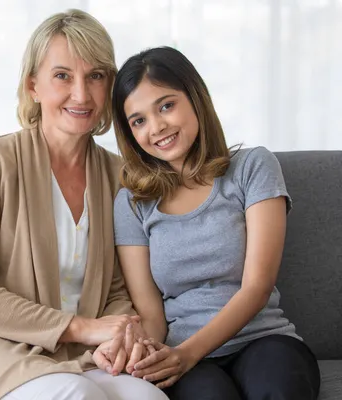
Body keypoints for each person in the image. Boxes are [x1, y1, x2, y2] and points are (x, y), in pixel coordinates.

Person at [0, 10, 168, 400]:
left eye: (95, 76)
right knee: (77, 396)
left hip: (73, 353)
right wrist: (82, 328)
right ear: (33, 86)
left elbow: (114, 284)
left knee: (149, 398)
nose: (81, 93)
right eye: (63, 76)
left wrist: (121, 335)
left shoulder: (118, 175)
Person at [108, 46, 321, 399]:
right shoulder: (131, 203)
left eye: (166, 105)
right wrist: (138, 352)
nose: (157, 127)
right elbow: (151, 314)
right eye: (139, 120)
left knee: (278, 390)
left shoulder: (253, 167)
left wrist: (186, 355)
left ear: (195, 98)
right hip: (182, 354)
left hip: (262, 340)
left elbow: (257, 287)